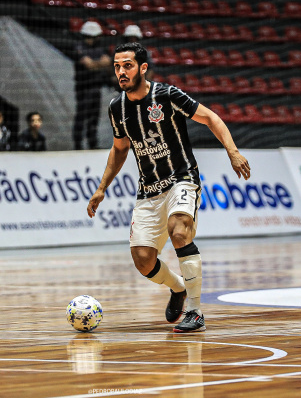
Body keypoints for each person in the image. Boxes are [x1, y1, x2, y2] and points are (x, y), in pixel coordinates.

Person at [86, 43, 251, 333]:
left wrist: (233, 151)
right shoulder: (117, 108)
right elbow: (119, 149)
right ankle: (178, 288)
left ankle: (195, 311)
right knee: (142, 259)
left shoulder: (166, 95)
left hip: (181, 178)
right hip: (148, 190)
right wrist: (102, 188)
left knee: (179, 230)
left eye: (127, 65)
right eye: (116, 66)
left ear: (143, 68)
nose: (121, 72)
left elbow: (210, 117)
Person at [72, 21, 112, 150]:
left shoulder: (99, 48)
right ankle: (78, 144)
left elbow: (108, 63)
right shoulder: (79, 46)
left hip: (96, 87)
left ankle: (92, 143)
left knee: (94, 117)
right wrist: (100, 64)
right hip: (84, 87)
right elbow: (89, 65)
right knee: (82, 116)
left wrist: (95, 64)